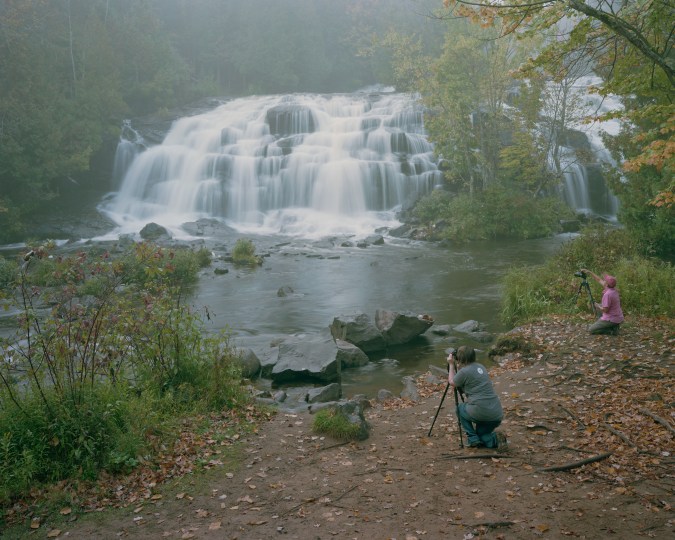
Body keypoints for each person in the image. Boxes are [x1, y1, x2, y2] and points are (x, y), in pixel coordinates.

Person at [447, 346, 507, 450]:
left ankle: (472, 439)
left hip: (481, 411)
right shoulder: (481, 366)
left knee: (460, 409)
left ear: (460, 359)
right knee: (482, 436)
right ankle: (494, 439)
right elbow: (471, 376)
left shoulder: (463, 372)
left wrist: (451, 365)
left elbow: (452, 382)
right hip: (496, 414)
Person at [581, 269, 624, 335]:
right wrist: (589, 272)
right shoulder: (614, 289)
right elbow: (598, 279)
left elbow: (605, 310)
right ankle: (610, 325)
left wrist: (597, 306)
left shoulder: (607, 294)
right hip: (618, 316)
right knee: (601, 305)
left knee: (591, 330)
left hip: (612, 318)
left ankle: (611, 331)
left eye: (605, 281)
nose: (604, 281)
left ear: (607, 284)